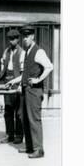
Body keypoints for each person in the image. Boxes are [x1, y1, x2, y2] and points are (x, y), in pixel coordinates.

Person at [5, 26, 53, 159]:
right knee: (25, 118)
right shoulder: (27, 52)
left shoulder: (39, 51)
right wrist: (13, 81)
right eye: (23, 36)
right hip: (26, 90)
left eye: (27, 36)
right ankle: (30, 147)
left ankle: (39, 149)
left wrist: (38, 79)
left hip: (34, 91)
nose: (25, 39)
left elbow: (49, 67)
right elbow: (25, 74)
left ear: (33, 37)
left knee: (34, 119)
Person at [0, 29, 25, 144]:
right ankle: (10, 135)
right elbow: (3, 63)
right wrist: (2, 73)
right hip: (7, 81)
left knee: (18, 111)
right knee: (8, 110)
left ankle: (19, 135)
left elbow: (24, 72)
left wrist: (18, 83)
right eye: (10, 38)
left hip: (17, 82)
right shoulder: (6, 51)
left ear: (18, 39)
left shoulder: (22, 52)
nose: (11, 41)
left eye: (14, 38)